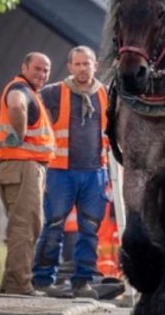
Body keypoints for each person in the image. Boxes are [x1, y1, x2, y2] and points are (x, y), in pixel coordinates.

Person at [31, 46, 110, 299]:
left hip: (95, 173)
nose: (82, 68)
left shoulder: (106, 94)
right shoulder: (53, 93)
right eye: (77, 64)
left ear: (95, 65)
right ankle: (43, 281)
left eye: (86, 64)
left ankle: (82, 282)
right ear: (70, 67)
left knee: (90, 230)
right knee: (53, 226)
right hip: (60, 172)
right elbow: (32, 115)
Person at [0, 53, 55, 296]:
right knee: (24, 226)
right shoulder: (20, 88)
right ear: (24, 68)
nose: (41, 74)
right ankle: (18, 284)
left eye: (46, 70)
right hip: (23, 166)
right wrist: (19, 135)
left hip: (24, 167)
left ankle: (12, 281)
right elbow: (17, 104)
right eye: (37, 69)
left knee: (27, 225)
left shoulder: (30, 91)